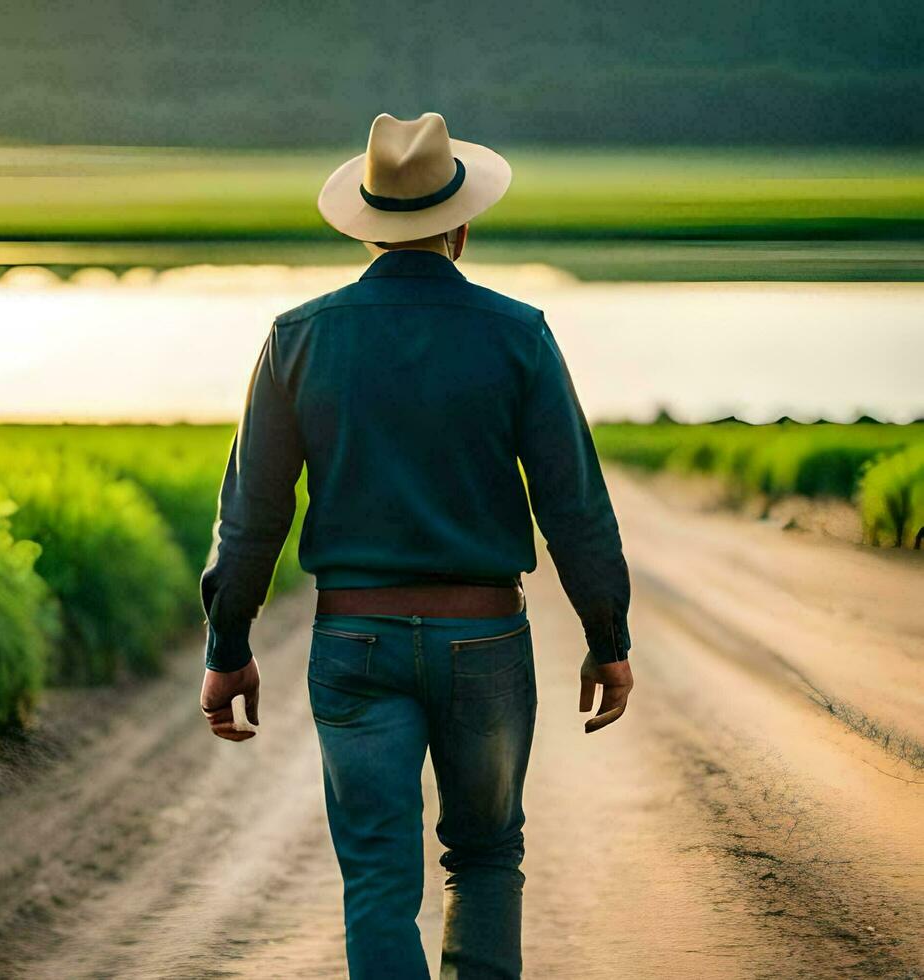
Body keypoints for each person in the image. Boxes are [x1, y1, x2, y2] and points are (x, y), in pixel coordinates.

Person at [197, 112, 635, 979]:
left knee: (376, 878)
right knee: (483, 858)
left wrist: (228, 646)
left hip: (353, 640)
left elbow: (252, 515)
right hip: (485, 640)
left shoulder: (299, 337)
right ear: (461, 226)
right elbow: (574, 505)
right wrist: (607, 637)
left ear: (366, 226)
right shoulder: (520, 334)